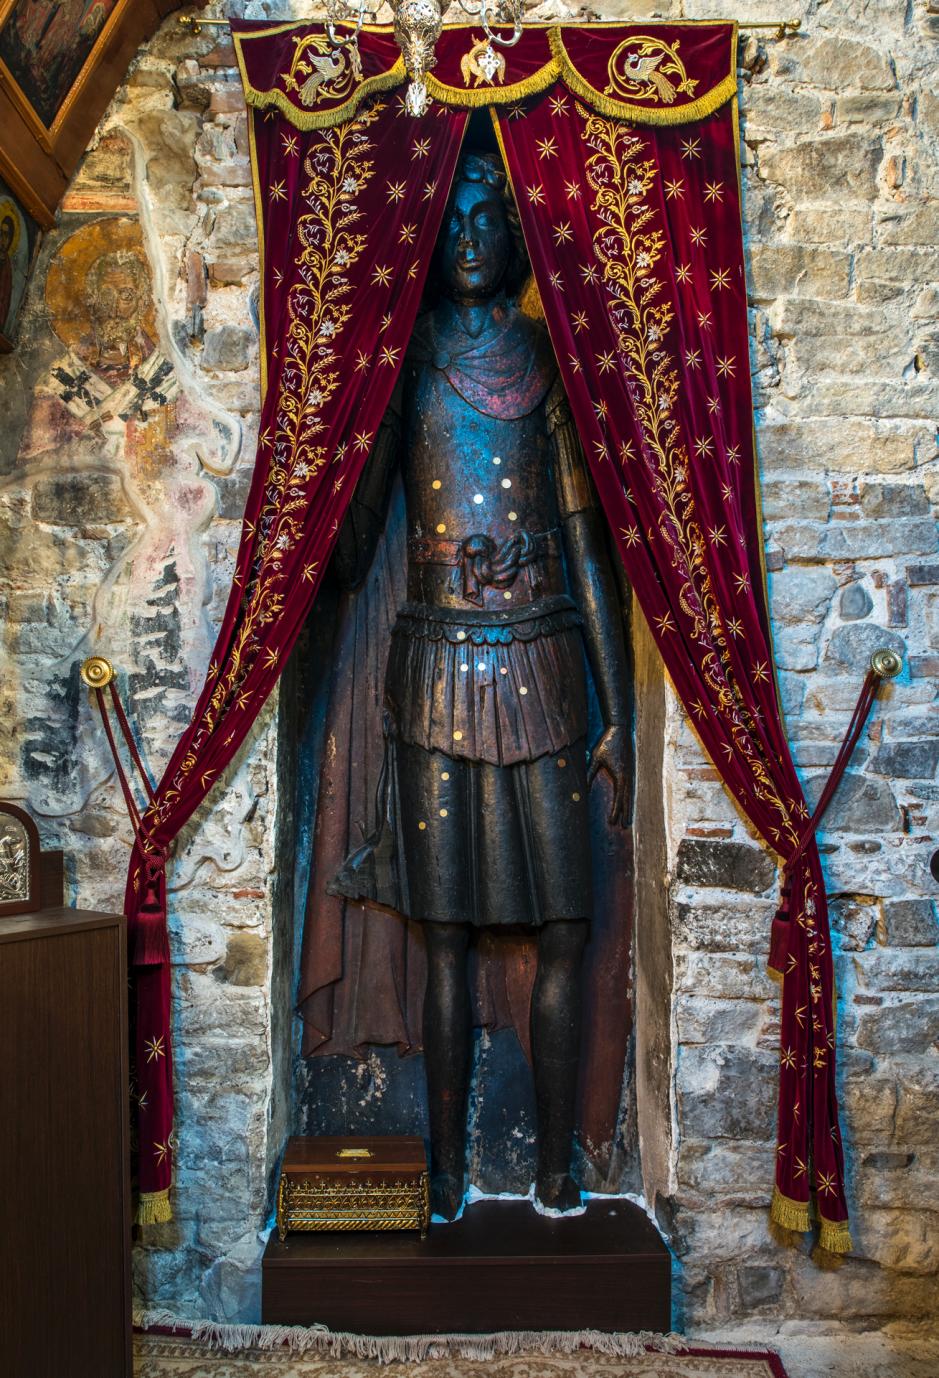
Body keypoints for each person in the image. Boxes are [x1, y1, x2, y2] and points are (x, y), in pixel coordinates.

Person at [329, 150, 633, 1220]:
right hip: (438, 669)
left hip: (544, 662)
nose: (466, 239)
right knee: (445, 935)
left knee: (565, 925)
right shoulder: (405, 360)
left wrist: (620, 714)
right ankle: (448, 1168)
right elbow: (353, 530)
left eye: (485, 220)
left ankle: (555, 1164)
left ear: (514, 237)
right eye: (451, 221)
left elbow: (587, 543)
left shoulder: (547, 361)